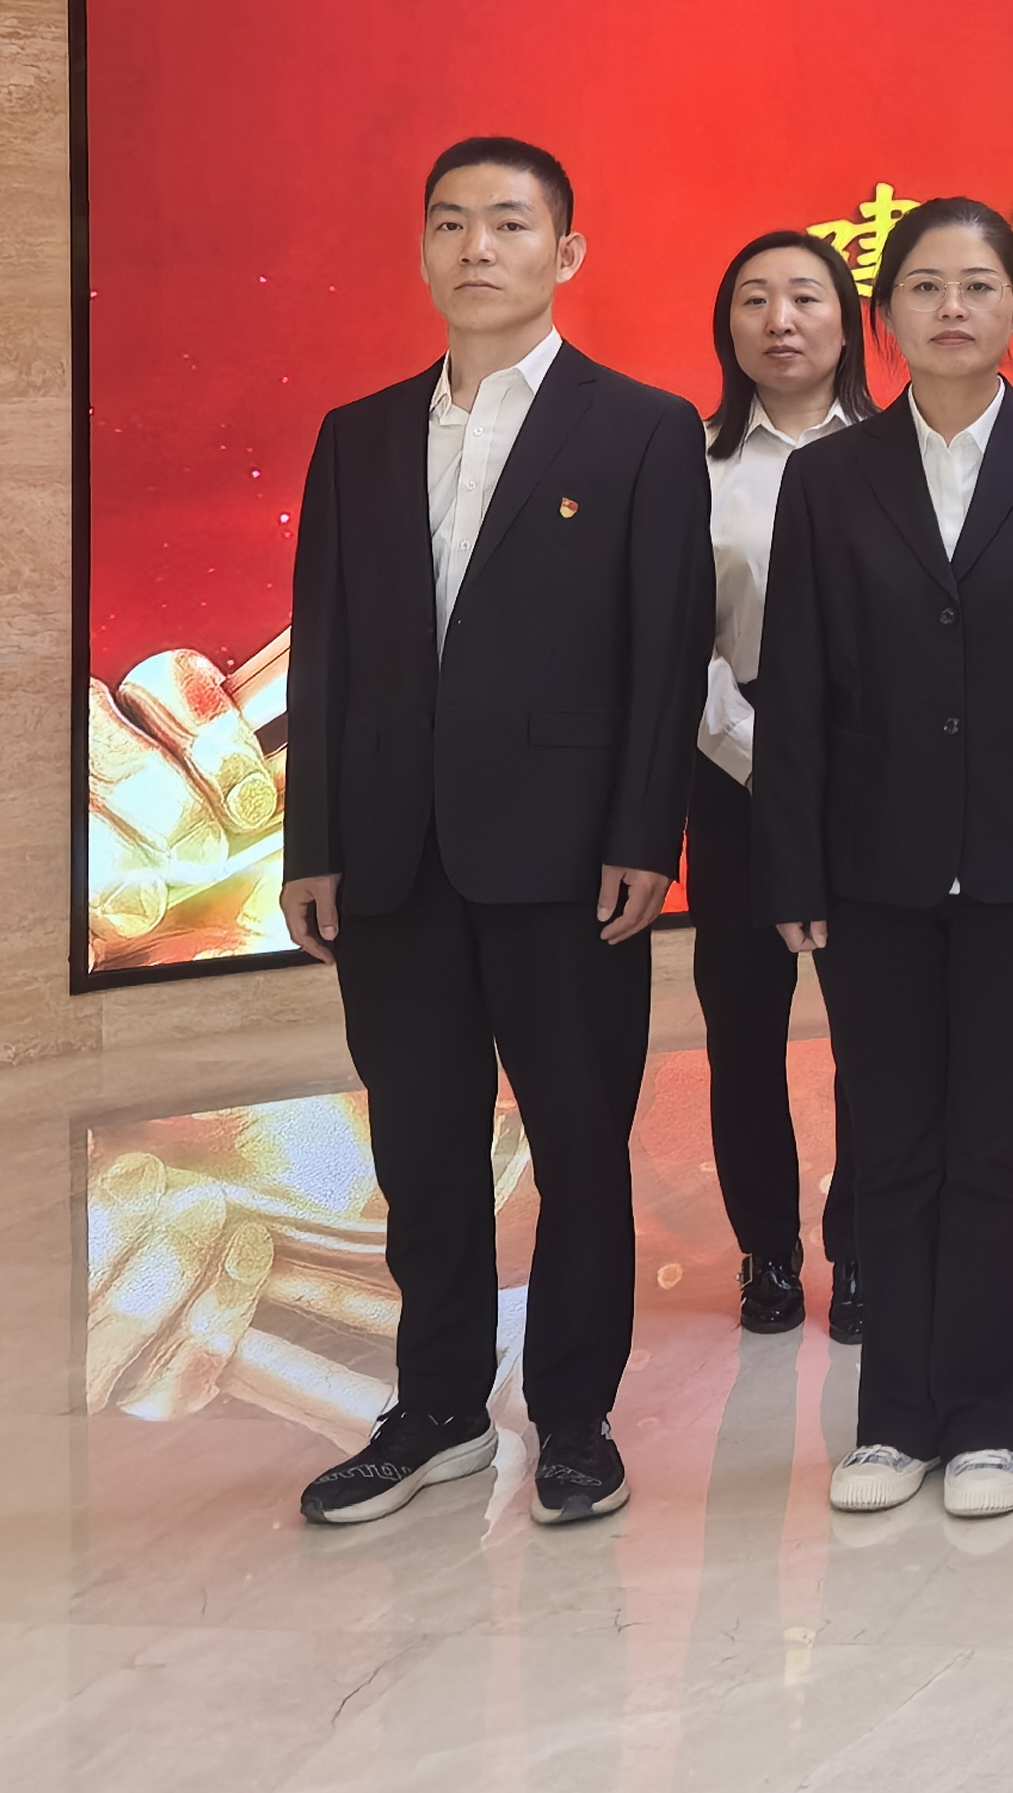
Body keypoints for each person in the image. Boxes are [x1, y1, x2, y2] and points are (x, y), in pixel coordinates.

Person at [281, 137, 711, 1529]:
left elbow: (666, 650)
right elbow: (327, 651)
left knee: (580, 1144)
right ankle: (439, 1410)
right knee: (420, 1143)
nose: (478, 247)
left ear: (565, 253)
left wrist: (645, 831)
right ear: (421, 251)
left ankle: (574, 1417)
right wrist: (312, 841)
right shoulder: (358, 434)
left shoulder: (640, 428)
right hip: (394, 857)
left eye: (511, 224)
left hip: (571, 857)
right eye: (451, 222)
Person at [756, 197, 1013, 1522]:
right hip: (869, 868)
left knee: (995, 1143)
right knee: (892, 1146)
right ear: (886, 317)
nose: (951, 309)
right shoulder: (830, 479)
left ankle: (990, 1417)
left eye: (978, 285)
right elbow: (797, 688)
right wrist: (792, 872)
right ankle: (894, 1419)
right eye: (924, 287)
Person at [689, 230, 871, 1343]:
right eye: (754, 299)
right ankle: (767, 1249)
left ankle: (863, 1251)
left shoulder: (896, 454)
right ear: (729, 329)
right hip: (733, 771)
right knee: (744, 1030)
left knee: (874, 1032)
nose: (781, 320)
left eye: (806, 296)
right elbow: (675, 633)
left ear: (849, 324)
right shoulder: (691, 465)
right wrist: (757, 754)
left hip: (870, 776)